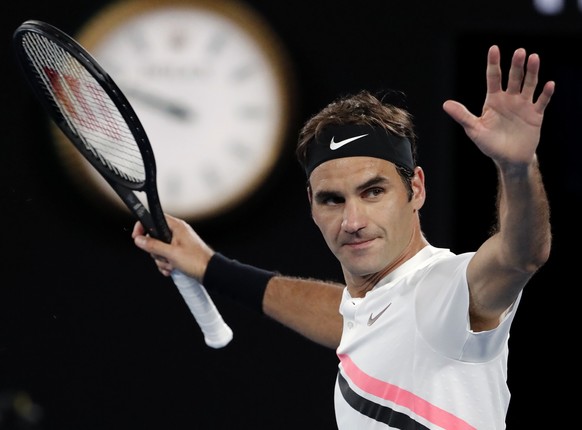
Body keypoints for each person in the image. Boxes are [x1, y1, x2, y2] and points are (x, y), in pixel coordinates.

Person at [132, 45, 554, 429]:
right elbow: (345, 318)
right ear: (311, 205)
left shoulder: (442, 292)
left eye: (373, 192)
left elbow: (520, 257)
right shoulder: (371, 306)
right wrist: (211, 267)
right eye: (333, 200)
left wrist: (516, 168)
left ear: (416, 189)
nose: (352, 220)